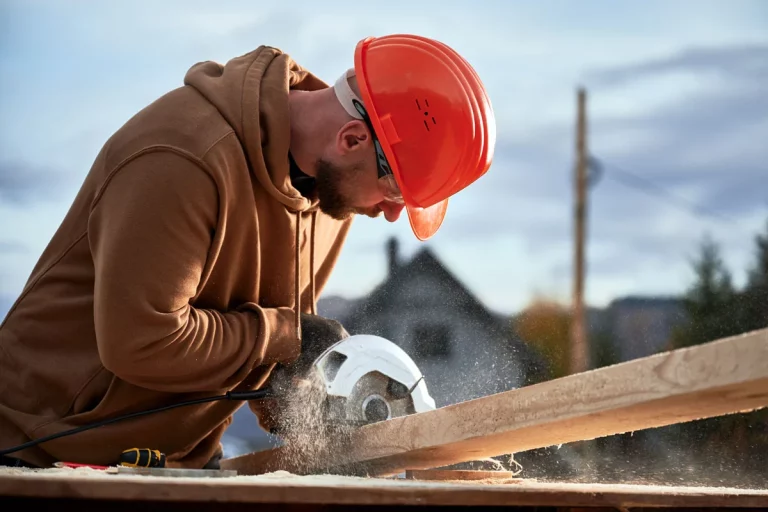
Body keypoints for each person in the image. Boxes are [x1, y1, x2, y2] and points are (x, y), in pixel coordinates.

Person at [0, 34, 496, 469]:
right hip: (41, 451)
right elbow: (142, 342)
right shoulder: (182, 156)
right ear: (352, 138)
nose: (390, 214)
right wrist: (287, 336)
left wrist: (314, 409)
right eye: (393, 193)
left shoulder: (329, 195)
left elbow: (265, 354)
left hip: (174, 462)